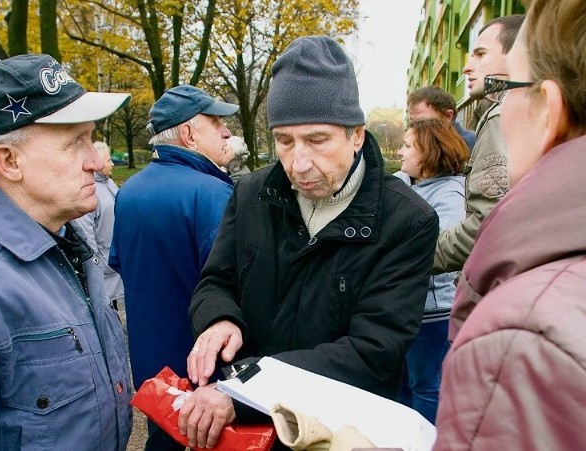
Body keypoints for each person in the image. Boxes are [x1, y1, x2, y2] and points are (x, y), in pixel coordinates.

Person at [178, 35, 439, 450]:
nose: (298, 163)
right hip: (247, 434)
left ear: (356, 135)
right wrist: (218, 319)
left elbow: (373, 351)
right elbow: (215, 281)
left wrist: (245, 390)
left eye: (317, 140)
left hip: (337, 433)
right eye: (284, 141)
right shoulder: (251, 194)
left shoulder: (408, 221)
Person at [0, 54, 132, 449]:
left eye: (91, 138)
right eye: (76, 143)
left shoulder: (64, 236)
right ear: (9, 161)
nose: (98, 162)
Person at [435, 1, 586, 447]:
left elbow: (481, 220)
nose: (469, 67)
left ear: (547, 110)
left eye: (507, 86)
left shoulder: (522, 339)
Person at [109, 84, 238, 450]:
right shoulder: (213, 193)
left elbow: (120, 262)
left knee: (162, 437)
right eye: (216, 123)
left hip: (153, 362)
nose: (226, 131)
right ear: (189, 134)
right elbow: (233, 285)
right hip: (203, 366)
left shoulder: (129, 190)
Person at [432, 15, 524, 276]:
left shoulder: (502, 117)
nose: (467, 67)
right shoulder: (503, 111)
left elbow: (490, 223)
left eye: (480, 54)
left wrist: (417, 254)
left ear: (516, 56)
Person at [394, 118, 469, 424]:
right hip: (406, 307)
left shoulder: (449, 195)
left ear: (428, 153)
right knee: (403, 384)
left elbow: (440, 247)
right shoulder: (409, 184)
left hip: (432, 312)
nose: (400, 152)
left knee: (426, 386)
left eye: (408, 146)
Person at [73, 141, 124, 311]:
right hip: (105, 268)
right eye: (108, 160)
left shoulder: (108, 183)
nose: (112, 164)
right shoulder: (90, 189)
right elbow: (86, 234)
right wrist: (97, 266)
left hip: (114, 263)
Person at [407, 85, 476, 150]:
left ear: (448, 116)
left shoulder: (472, 144)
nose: (415, 128)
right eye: (413, 122)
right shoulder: (420, 144)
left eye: (422, 121)